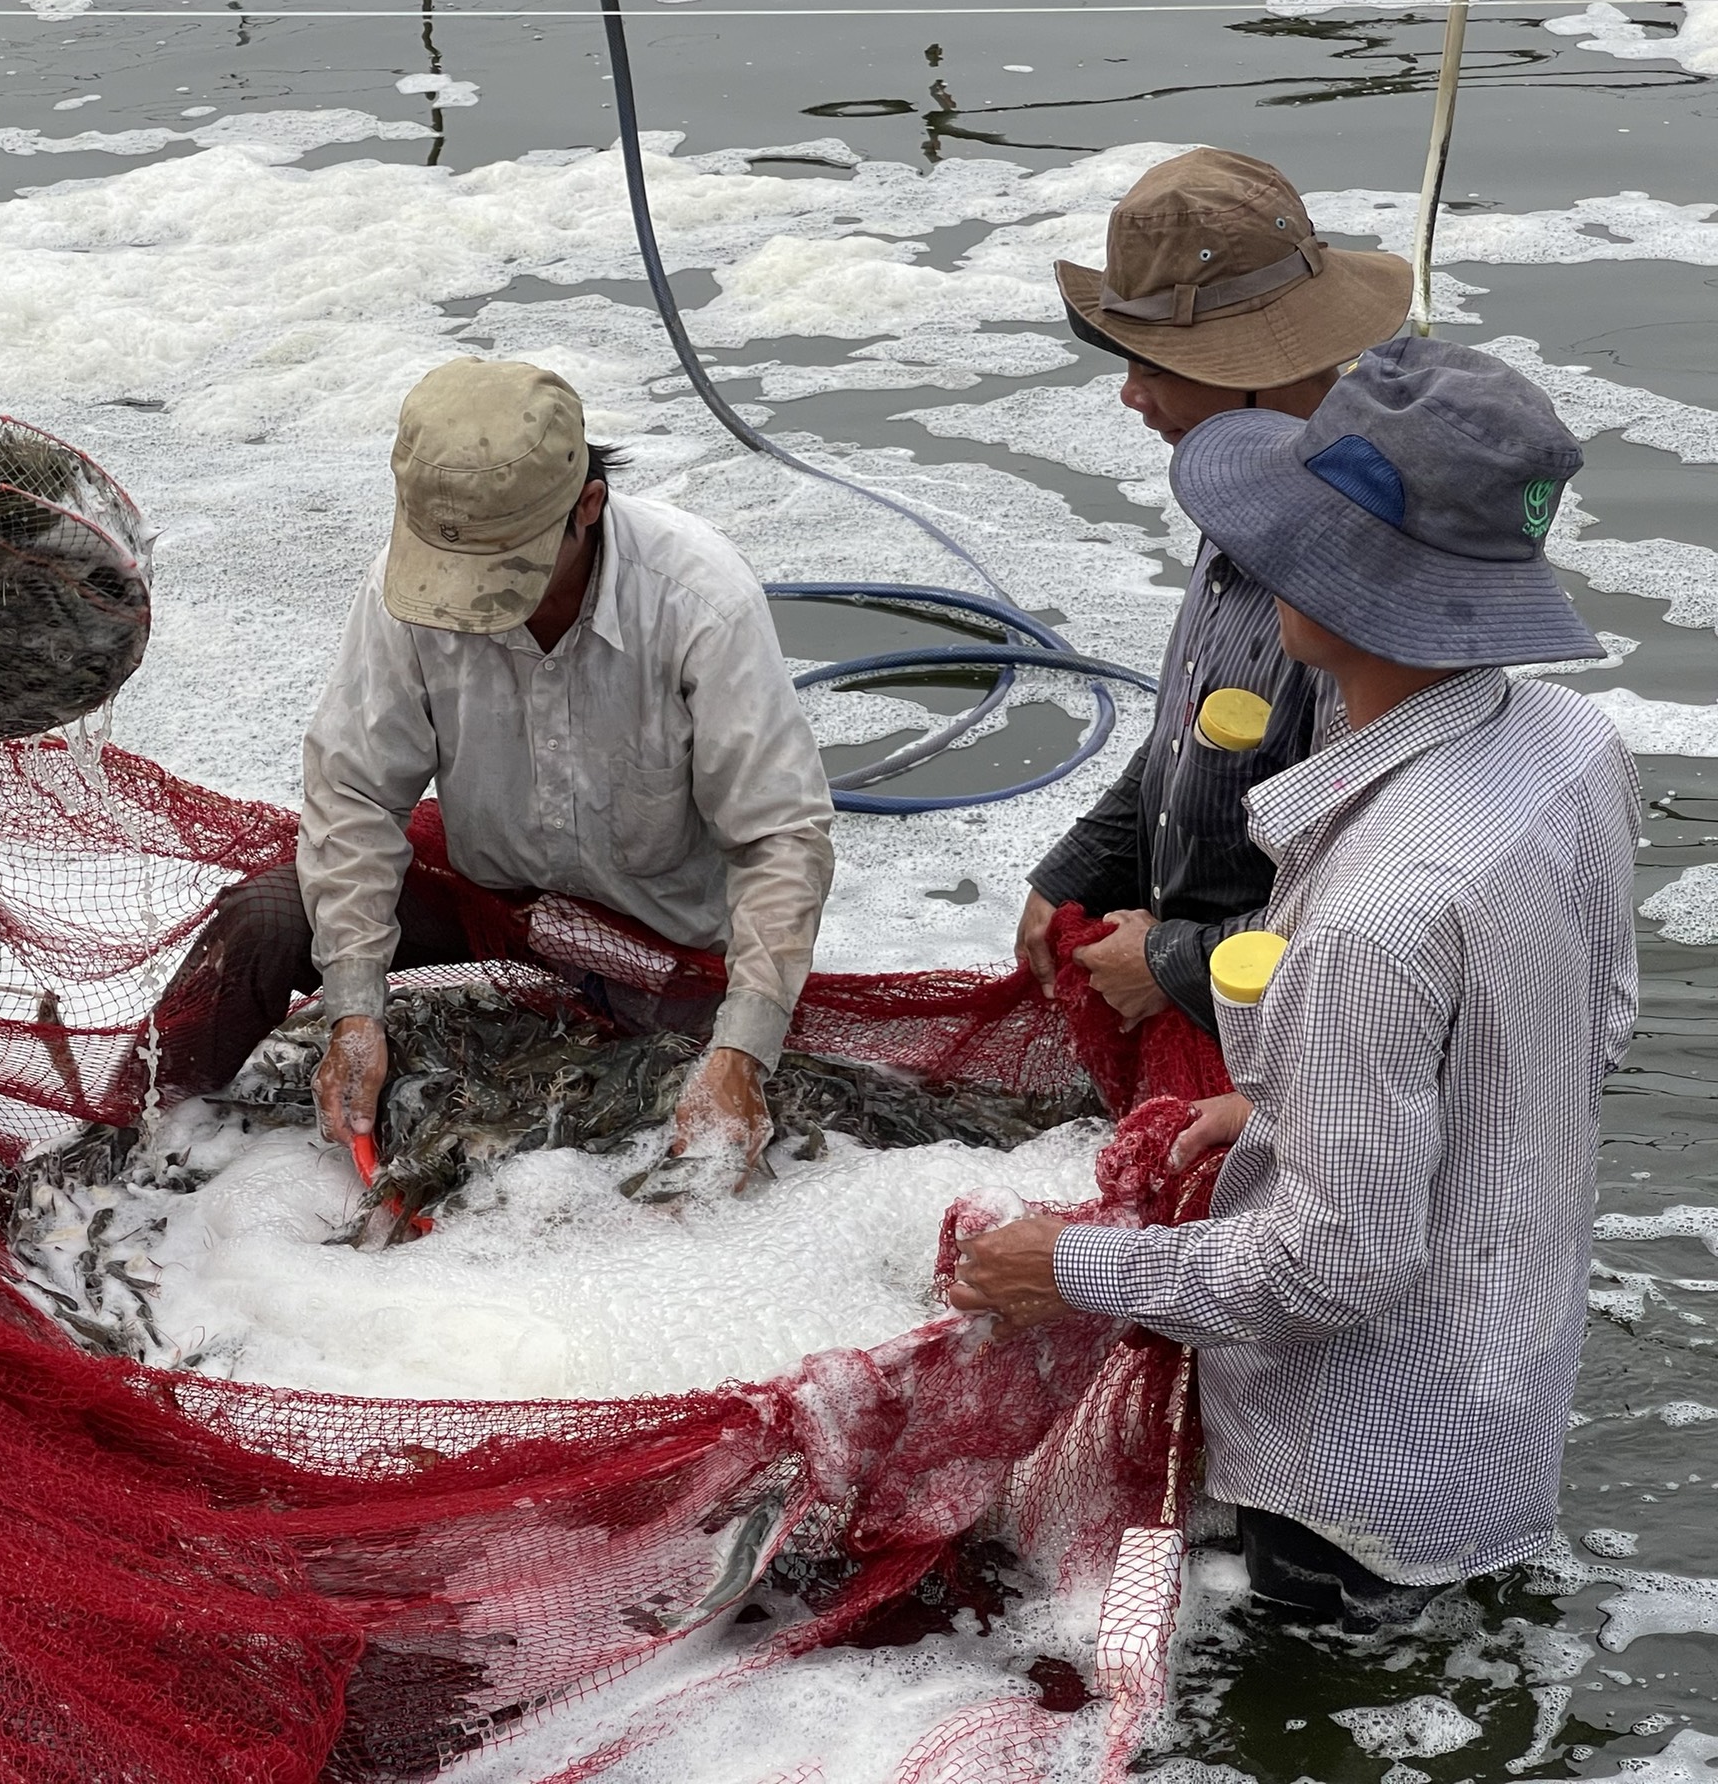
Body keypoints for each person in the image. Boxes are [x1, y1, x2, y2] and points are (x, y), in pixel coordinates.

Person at [951, 337, 1638, 1624]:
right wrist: (1278, 1108)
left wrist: (1073, 1268)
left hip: (1357, 1470)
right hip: (1509, 1371)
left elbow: (1329, 1272)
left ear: (1344, 585)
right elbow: (1585, 1027)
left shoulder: (1367, 920)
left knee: (1332, 1692)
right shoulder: (1568, 745)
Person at [153, 357, 834, 1173]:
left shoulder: (699, 600)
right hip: (492, 896)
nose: (467, 604)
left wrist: (741, 1055)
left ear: (589, 506)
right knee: (264, 919)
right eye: (453, 575)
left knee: (686, 1130)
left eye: (501, 576)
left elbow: (781, 838)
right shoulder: (402, 594)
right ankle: (147, 1133)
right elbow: (354, 794)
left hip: (664, 941)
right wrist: (355, 1012)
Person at [1016, 149, 1412, 1034]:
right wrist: (1080, 867)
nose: (1128, 395)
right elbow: (1188, 732)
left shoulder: (1369, 580)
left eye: (1155, 366)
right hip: (1198, 988)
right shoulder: (1234, 483)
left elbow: (1379, 910)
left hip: (1304, 1041)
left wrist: (1167, 963)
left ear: (1262, 366)